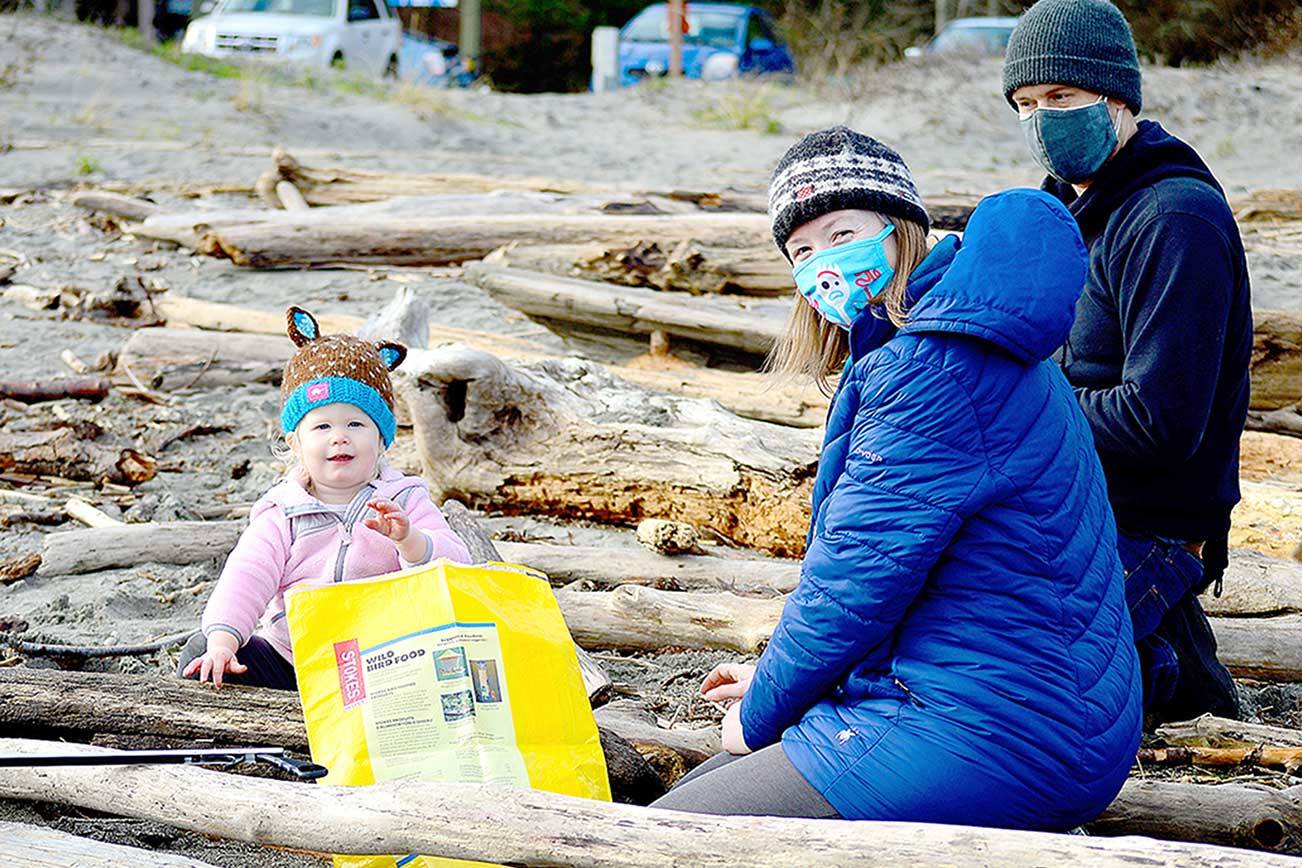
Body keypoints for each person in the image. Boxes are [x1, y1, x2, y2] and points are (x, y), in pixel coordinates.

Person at [650, 127, 1142, 829]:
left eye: (842, 231)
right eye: (802, 251)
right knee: (703, 786)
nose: (824, 263)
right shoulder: (966, 334)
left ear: (901, 228)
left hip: (993, 732)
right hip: (1031, 704)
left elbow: (853, 584)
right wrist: (773, 688)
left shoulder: (933, 367)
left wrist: (758, 717)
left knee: (665, 836)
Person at [1003, 0, 1252, 725]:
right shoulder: (1057, 214)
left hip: (1151, 521)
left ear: (1116, 98)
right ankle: (1160, 645)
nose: (1042, 120)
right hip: (1068, 498)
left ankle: (1165, 668)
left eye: (1061, 98)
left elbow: (1158, 421)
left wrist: (1015, 404)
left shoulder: (1173, 220)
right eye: (1025, 103)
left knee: (1021, 683)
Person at [178, 306, 471, 690]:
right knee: (202, 652)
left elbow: (459, 565)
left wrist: (410, 541)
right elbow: (247, 576)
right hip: (296, 661)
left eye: (355, 423)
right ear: (295, 441)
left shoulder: (403, 500)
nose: (339, 436)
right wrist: (223, 640)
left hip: (389, 664)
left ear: (381, 438)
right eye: (322, 426)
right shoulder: (282, 512)